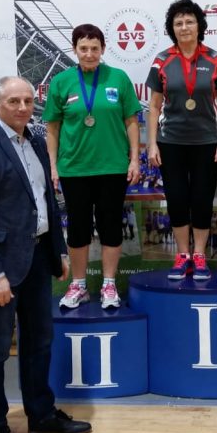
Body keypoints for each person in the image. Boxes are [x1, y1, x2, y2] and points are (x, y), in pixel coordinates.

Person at [0, 76, 91, 433]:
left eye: (28, 100)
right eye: (14, 101)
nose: (23, 108)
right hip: (1, 266)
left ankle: (41, 415)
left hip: (39, 258)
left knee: (40, 341)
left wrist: (59, 251)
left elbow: (46, 202)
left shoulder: (38, 143)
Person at [44, 24, 140, 310]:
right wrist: (53, 166)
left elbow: (131, 122)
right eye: (83, 48)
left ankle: (109, 284)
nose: (89, 53)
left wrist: (134, 159)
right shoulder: (61, 81)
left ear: (103, 49)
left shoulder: (118, 78)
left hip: (112, 167)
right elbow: (52, 128)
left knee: (111, 226)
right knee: (78, 229)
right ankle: (79, 285)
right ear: (74, 49)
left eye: (94, 48)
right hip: (74, 168)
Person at [146, 0, 217, 280]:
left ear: (199, 25)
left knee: (202, 199)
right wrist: (152, 143)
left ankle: (200, 254)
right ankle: (183, 255)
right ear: (172, 28)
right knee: (177, 199)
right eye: (178, 22)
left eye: (189, 21)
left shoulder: (215, 59)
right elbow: (154, 106)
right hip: (171, 142)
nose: (184, 27)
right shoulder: (162, 60)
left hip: (206, 142)